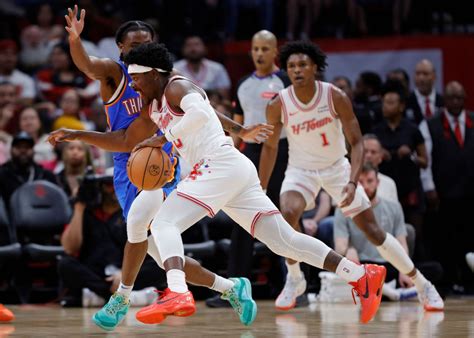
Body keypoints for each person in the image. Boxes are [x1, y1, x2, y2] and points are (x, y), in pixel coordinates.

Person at [125, 41, 387, 325]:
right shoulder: (153, 105)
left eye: (136, 78)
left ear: (153, 73)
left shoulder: (177, 86)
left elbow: (201, 112)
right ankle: (361, 275)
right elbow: (209, 114)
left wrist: (163, 137)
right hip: (232, 171)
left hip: (219, 164)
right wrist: (239, 130)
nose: (133, 85)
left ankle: (177, 290)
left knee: (164, 223)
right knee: (285, 242)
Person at [48, 6, 256, 331]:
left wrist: (239, 131)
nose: (140, 49)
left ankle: (122, 297)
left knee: (137, 224)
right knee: (162, 255)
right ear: (121, 49)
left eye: (146, 42)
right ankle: (232, 288)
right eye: (133, 45)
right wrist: (75, 39)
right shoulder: (115, 74)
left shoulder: (160, 79)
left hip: (159, 161)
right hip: (127, 165)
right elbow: (87, 65)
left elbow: (200, 107)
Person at [258, 41, 443, 313]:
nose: (297, 70)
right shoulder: (278, 104)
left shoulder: (334, 96)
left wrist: (353, 180)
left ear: (315, 68)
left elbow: (356, 143)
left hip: (337, 169)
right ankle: (294, 277)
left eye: (302, 65)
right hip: (301, 171)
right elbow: (271, 146)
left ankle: (422, 283)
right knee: (287, 213)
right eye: (291, 66)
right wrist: (260, 188)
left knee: (374, 231)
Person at [206, 30, 291, 308]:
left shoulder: (287, 81)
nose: (259, 54)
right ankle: (233, 290)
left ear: (275, 51)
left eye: (265, 49)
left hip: (284, 152)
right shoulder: (242, 83)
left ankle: (290, 286)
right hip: (251, 154)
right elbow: (238, 128)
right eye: (255, 49)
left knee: (282, 219)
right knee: (243, 220)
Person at [59, 172, 161, 308]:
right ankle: (125, 298)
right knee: (65, 264)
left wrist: (124, 275)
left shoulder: (134, 212)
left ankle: (99, 297)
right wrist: (79, 207)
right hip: (97, 273)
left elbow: (145, 249)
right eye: (109, 185)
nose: (114, 188)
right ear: (100, 187)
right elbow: (70, 248)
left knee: (160, 263)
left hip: (127, 272)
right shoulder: (87, 211)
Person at [420, 81, 474, 292]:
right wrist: (429, 187)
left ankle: (470, 282)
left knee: (470, 237)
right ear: (445, 99)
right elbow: (427, 159)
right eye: (451, 97)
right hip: (444, 191)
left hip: (471, 191)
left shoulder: (472, 120)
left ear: (464, 98)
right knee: (447, 238)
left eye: (459, 98)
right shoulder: (431, 123)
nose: (455, 102)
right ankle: (449, 281)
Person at [334, 163, 416, 301]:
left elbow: (402, 243)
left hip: (389, 266)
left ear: (377, 182)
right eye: (361, 182)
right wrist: (349, 249)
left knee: (434, 271)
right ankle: (389, 292)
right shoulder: (343, 208)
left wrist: (405, 269)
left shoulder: (394, 207)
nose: (365, 186)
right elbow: (339, 246)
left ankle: (380, 291)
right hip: (362, 266)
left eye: (370, 181)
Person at [0, 132, 57, 210]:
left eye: (27, 147)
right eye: (18, 147)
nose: (23, 151)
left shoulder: (45, 175)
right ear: (11, 150)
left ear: (33, 151)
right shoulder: (2, 174)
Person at [405, 59, 443, 125]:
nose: (421, 78)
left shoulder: (443, 102)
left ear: (434, 77)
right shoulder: (405, 102)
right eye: (417, 74)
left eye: (425, 74)